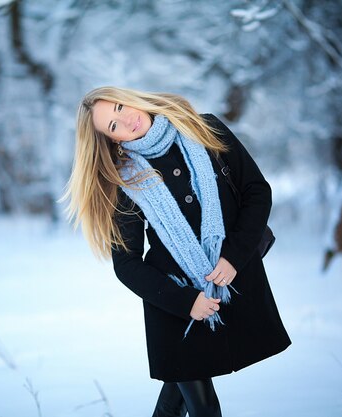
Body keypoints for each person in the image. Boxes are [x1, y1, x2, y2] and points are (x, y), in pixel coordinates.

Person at [63, 86, 291, 417]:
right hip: (174, 304)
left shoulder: (204, 128)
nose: (125, 119)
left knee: (175, 401)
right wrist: (186, 302)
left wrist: (234, 256)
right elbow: (126, 264)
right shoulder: (123, 180)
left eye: (120, 107)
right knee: (205, 409)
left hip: (226, 279)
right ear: (112, 140)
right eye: (113, 125)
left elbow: (256, 191)